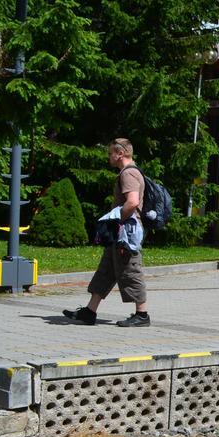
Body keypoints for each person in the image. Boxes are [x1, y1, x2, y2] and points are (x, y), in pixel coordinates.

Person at [63, 138, 149, 327]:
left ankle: (142, 314)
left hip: (127, 232)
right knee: (106, 270)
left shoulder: (129, 174)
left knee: (130, 269)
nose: (108, 157)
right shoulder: (128, 172)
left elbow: (133, 202)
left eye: (110, 153)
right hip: (121, 232)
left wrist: (117, 220)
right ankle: (89, 312)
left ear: (120, 154)